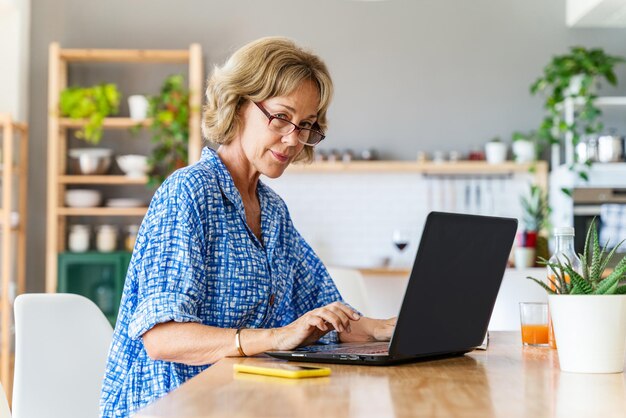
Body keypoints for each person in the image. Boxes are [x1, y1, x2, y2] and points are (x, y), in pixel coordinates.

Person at [100, 36, 396, 417]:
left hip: (242, 402)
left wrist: (389, 329)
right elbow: (162, 338)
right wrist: (276, 337)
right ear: (238, 105)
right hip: (174, 405)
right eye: (281, 117)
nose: (293, 139)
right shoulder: (189, 193)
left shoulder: (272, 210)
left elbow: (326, 319)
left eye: (305, 125)